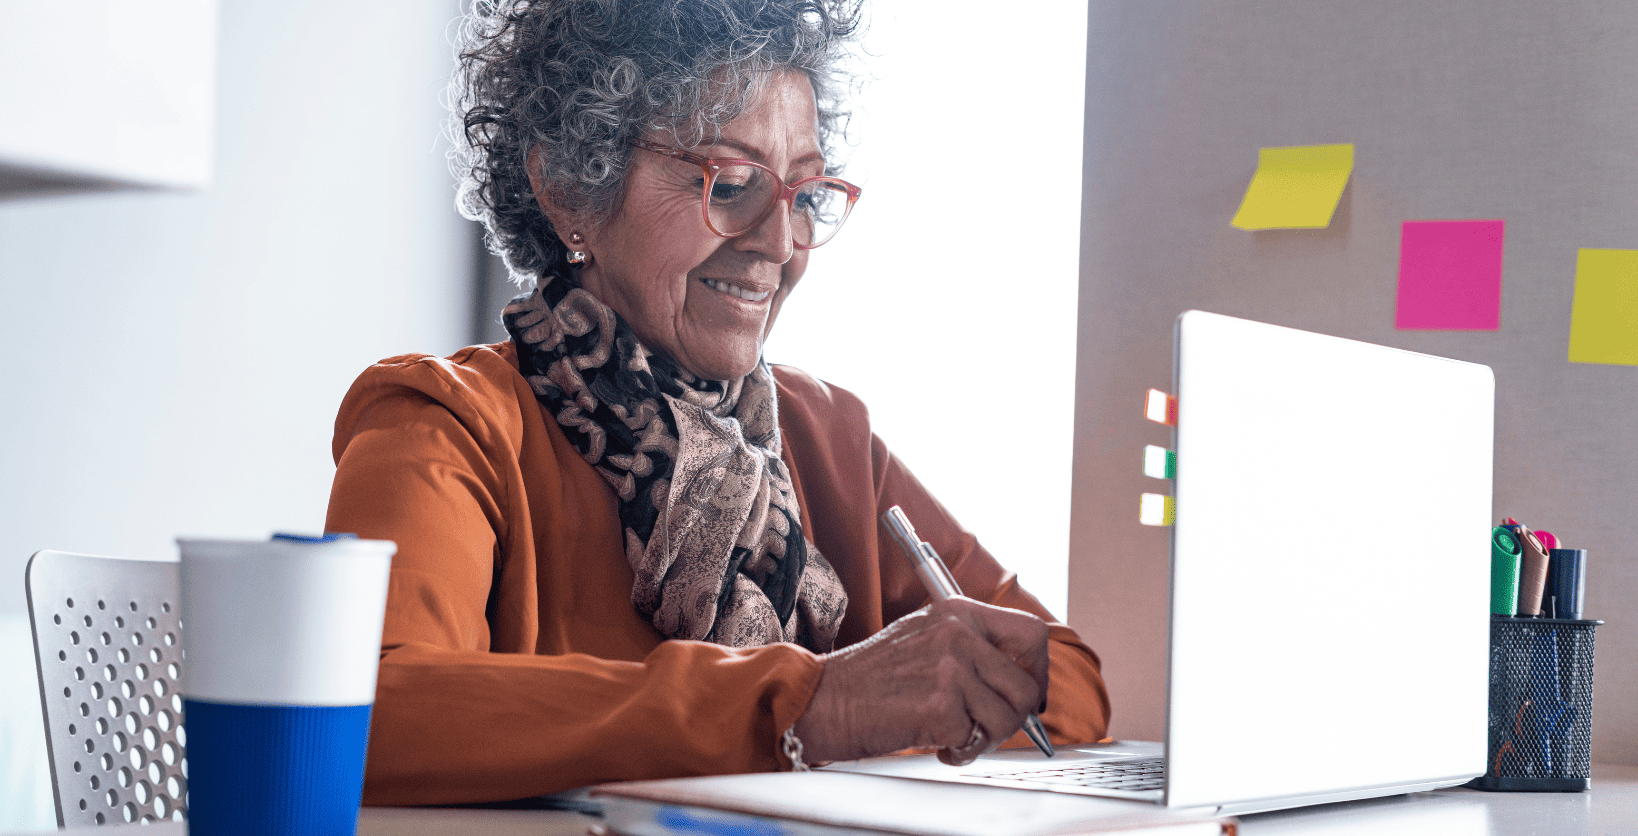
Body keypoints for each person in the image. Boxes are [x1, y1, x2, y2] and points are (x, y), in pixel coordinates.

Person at [324, 0, 1110, 806]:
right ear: (566, 186)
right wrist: (815, 708)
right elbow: (367, 717)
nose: (779, 243)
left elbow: (1071, 684)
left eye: (804, 196)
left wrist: (900, 702)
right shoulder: (444, 424)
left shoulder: (831, 438)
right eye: (730, 183)